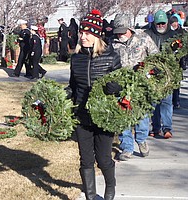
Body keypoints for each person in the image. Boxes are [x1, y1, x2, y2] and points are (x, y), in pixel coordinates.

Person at [65, 9, 121, 200]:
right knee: (86, 159)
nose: (83, 36)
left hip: (104, 116)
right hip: (82, 115)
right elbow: (73, 86)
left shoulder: (111, 57)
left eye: (87, 33)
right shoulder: (76, 58)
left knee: (104, 159)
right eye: (81, 32)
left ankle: (110, 186)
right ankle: (90, 196)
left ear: (96, 36)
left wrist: (116, 87)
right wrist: (63, 96)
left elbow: (123, 85)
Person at [110, 14, 159, 161]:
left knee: (141, 115)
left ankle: (142, 139)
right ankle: (127, 147)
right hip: (121, 85)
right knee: (123, 116)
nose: (120, 34)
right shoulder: (112, 43)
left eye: (122, 31)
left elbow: (156, 57)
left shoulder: (143, 38)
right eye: (117, 31)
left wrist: (151, 70)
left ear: (129, 28)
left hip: (140, 84)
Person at [145, 10, 175, 139]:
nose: (161, 26)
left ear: (167, 23)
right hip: (152, 73)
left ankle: (167, 128)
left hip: (168, 74)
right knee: (153, 102)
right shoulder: (148, 35)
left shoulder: (173, 35)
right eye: (159, 23)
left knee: (166, 101)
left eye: (163, 23)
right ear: (154, 23)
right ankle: (156, 127)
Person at [169, 16, 186, 109]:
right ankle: (172, 100)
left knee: (177, 82)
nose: (173, 25)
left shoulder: (183, 33)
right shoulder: (169, 32)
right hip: (171, 61)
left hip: (179, 61)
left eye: (174, 23)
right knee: (171, 81)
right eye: (171, 24)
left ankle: (176, 101)